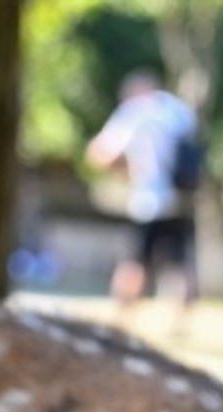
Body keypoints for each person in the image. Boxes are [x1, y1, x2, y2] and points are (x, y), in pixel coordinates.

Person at [85, 70, 200, 315]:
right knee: (179, 262)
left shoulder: (134, 112)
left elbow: (100, 153)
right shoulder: (177, 110)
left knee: (133, 260)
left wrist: (124, 171)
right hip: (180, 197)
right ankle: (181, 320)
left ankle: (122, 316)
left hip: (148, 199)